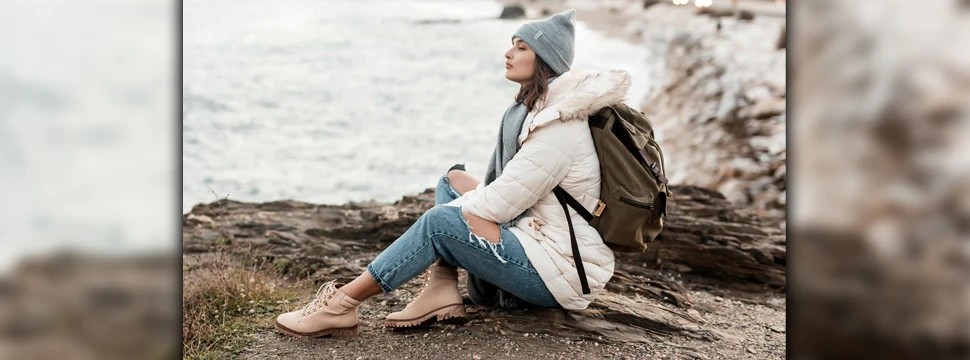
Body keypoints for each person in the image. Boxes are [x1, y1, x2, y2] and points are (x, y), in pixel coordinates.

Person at [275, 9, 631, 338]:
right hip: (538, 240)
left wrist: (452, 218)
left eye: (521, 47)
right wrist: (463, 204)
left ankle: (341, 306)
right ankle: (440, 289)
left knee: (440, 222)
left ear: (545, 60)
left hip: (560, 274)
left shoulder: (558, 127)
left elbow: (499, 207)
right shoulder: (541, 111)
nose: (508, 54)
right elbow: (504, 195)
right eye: (511, 45)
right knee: (453, 182)